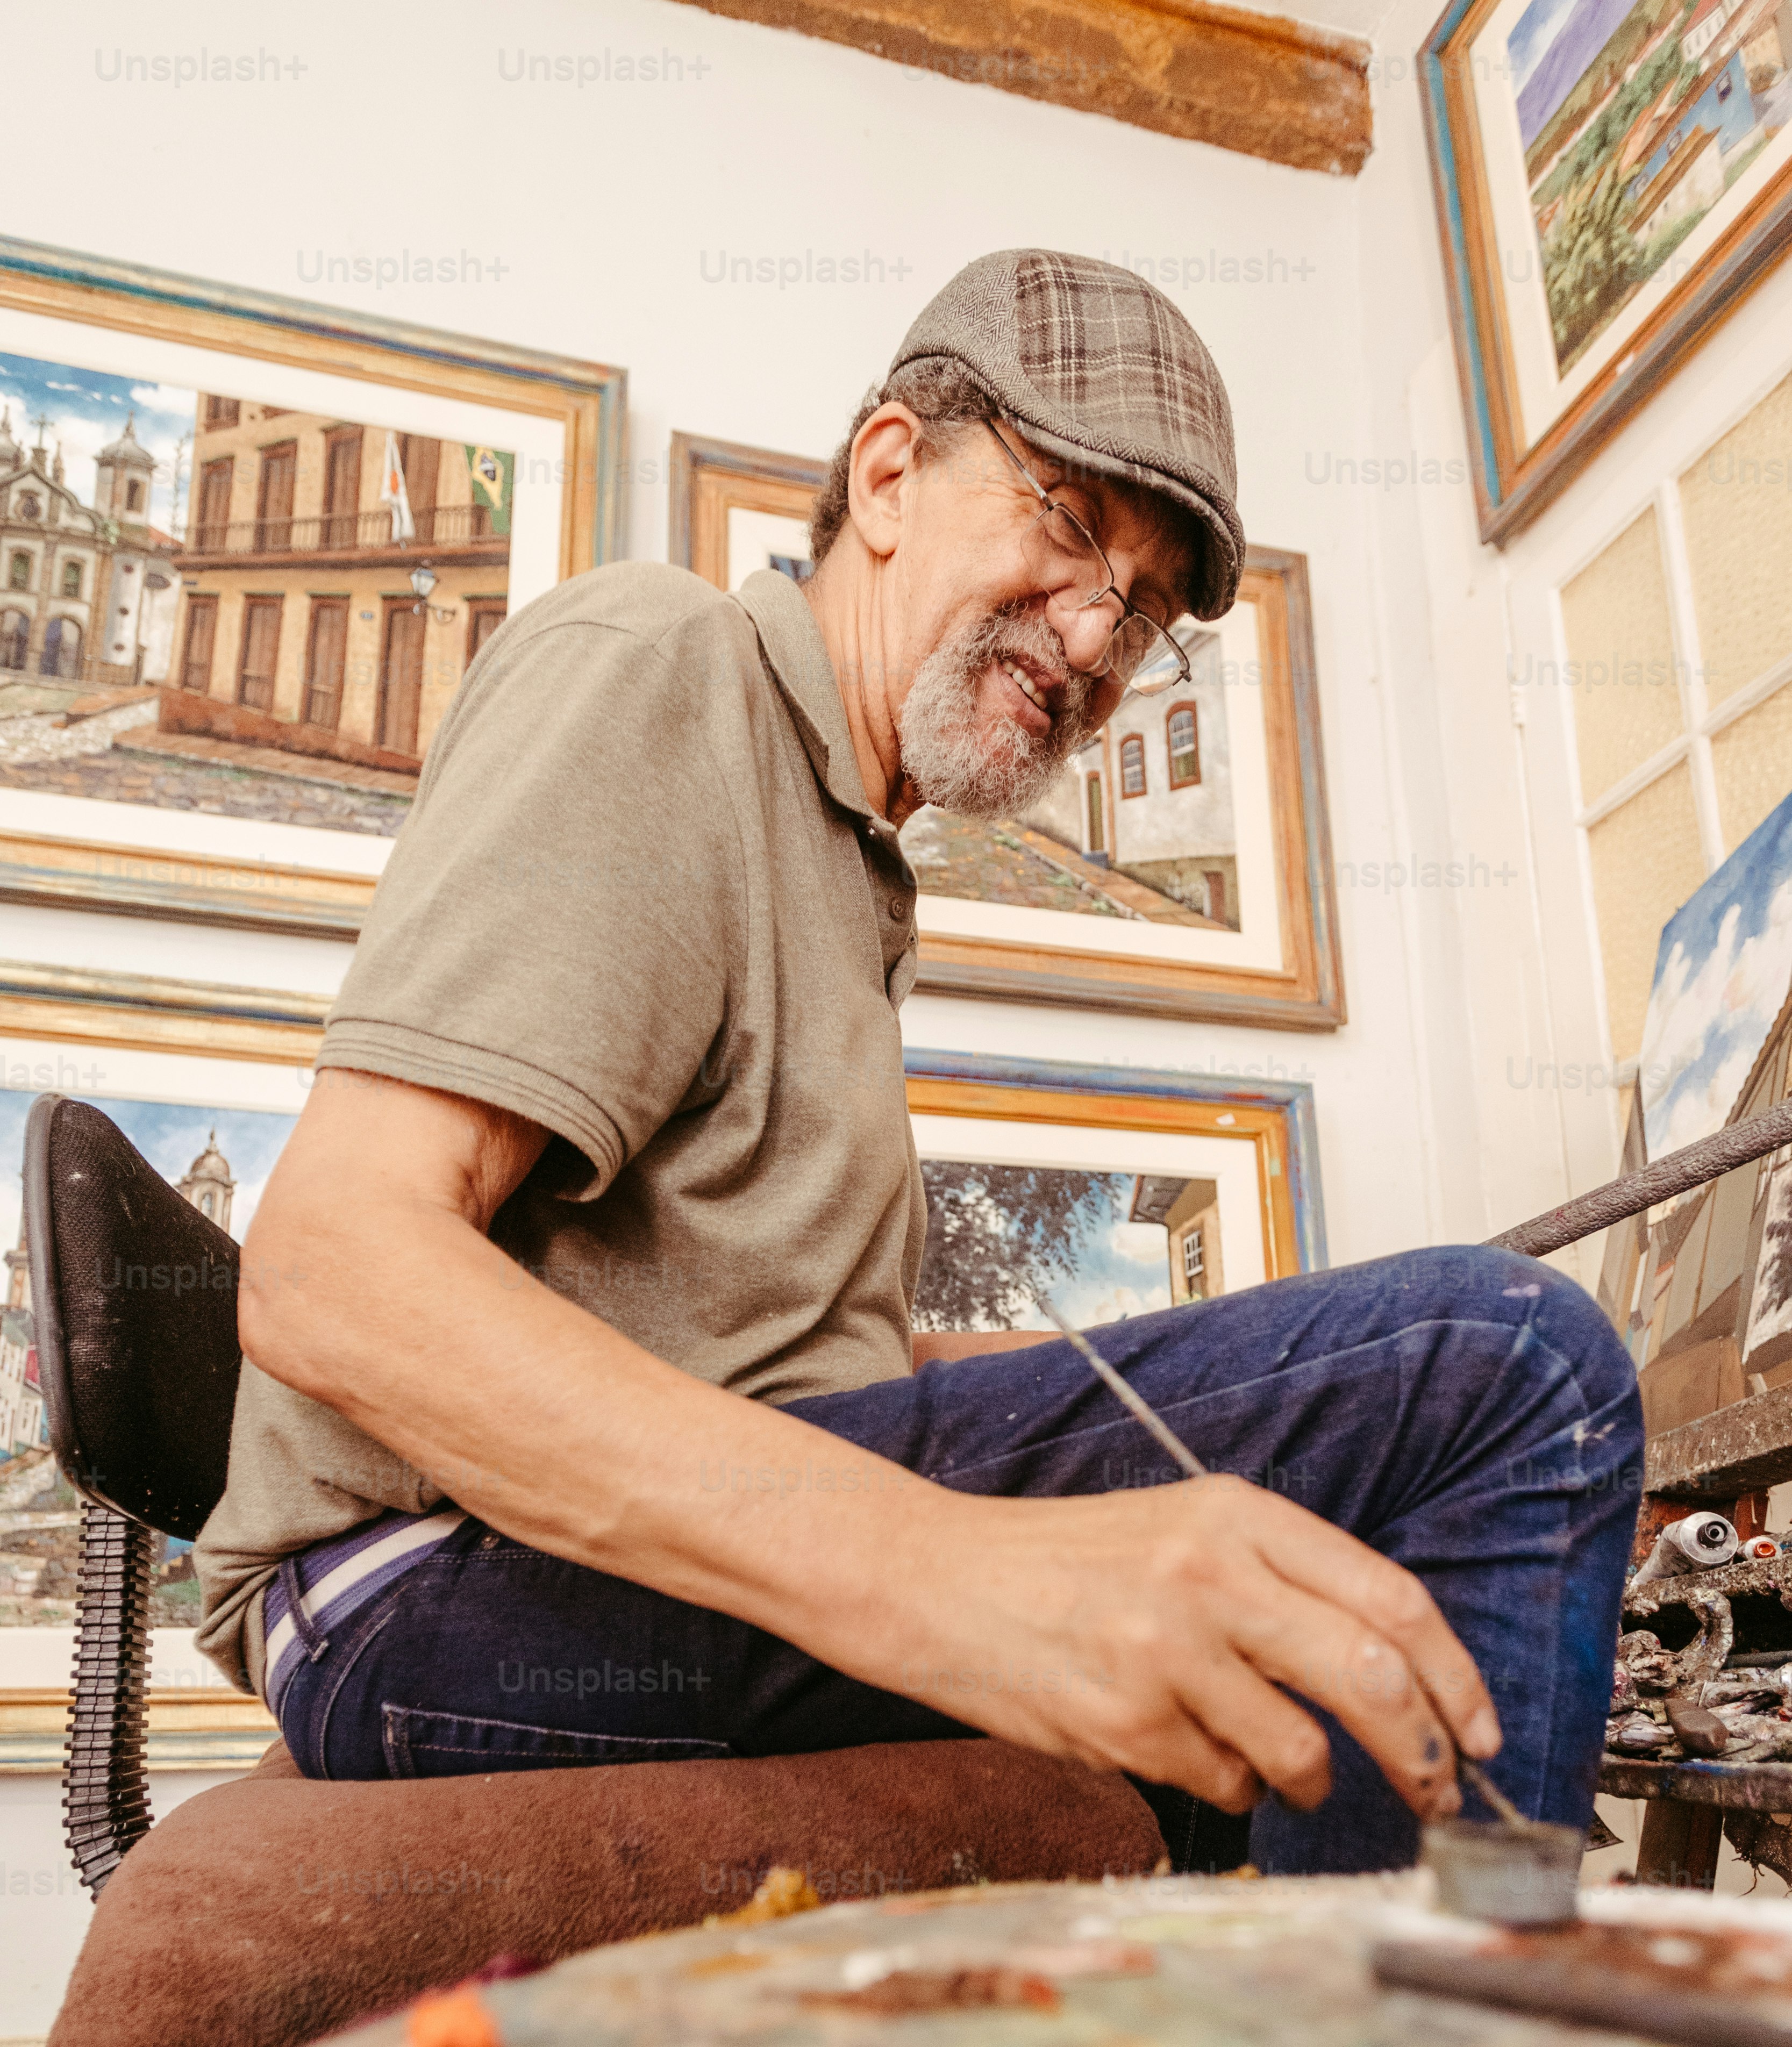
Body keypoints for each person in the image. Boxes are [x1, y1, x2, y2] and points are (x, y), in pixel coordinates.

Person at [194, 248, 1640, 1872]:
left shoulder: (854, 861)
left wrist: (1205, 1405)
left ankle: (1306, 2044)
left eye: (1145, 611)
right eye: (1073, 526)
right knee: (1512, 1369)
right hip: (419, 1587)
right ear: (886, 474)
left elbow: (801, 1366)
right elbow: (333, 1270)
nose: (1099, 635)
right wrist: (967, 1581)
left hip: (516, 1575)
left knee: (1299, 1509)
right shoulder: (664, 659)